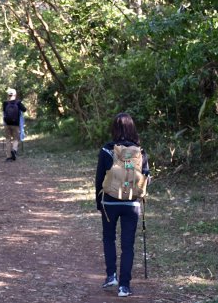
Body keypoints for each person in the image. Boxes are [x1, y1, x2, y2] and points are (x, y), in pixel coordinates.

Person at [95, 112, 150, 297]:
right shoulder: (140, 152)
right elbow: (145, 178)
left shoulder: (107, 150)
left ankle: (111, 276)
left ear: (115, 129)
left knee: (109, 238)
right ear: (132, 128)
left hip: (109, 202)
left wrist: (98, 202)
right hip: (131, 204)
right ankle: (124, 286)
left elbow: (99, 178)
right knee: (128, 245)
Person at [2, 88, 26, 161]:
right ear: (15, 95)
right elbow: (24, 109)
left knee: (8, 139)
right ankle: (14, 150)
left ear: (8, 95)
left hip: (7, 124)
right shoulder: (18, 103)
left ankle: (8, 156)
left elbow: (4, 112)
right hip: (16, 124)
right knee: (16, 138)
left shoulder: (5, 103)